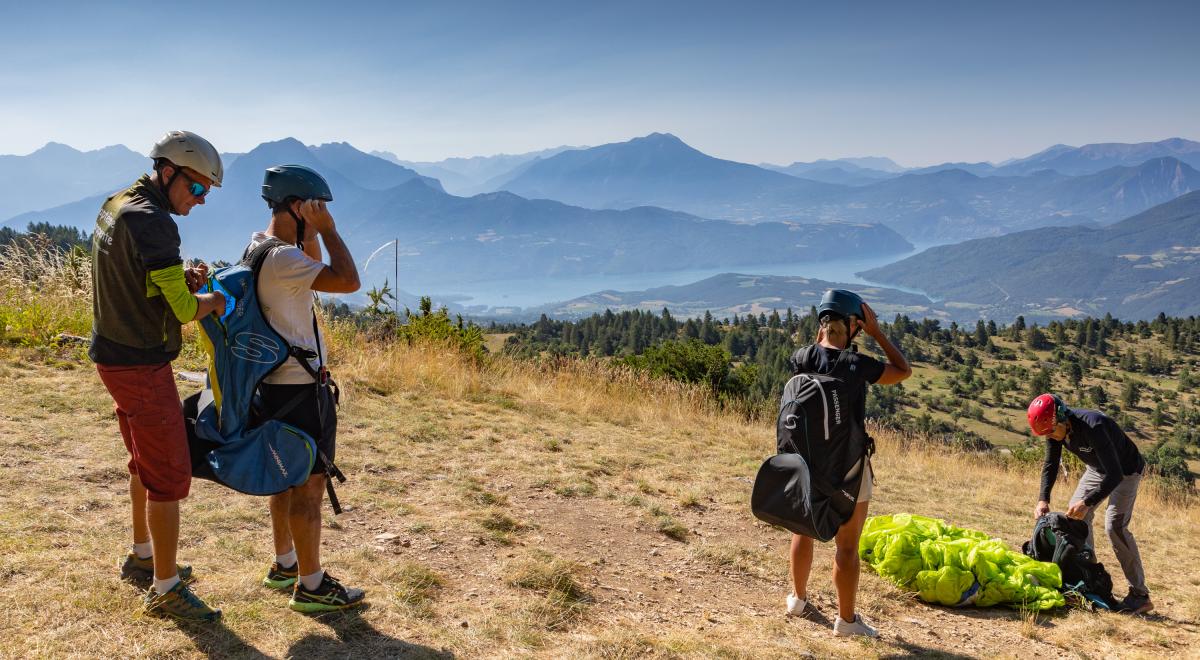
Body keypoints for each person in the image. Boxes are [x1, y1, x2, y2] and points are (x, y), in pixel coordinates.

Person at [91, 130, 226, 620]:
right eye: (197, 188)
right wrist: (212, 300)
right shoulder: (154, 223)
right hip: (140, 362)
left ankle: (144, 554)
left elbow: (136, 275)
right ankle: (166, 589)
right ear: (168, 172)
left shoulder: (119, 203)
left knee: (143, 461)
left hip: (112, 353)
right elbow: (188, 309)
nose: (201, 199)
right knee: (168, 473)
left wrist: (172, 279)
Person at [248, 164, 365, 612]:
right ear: (298, 206)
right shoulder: (285, 260)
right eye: (314, 207)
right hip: (301, 389)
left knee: (285, 479)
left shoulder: (260, 247)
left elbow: (310, 264)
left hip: (274, 386)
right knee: (309, 488)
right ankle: (312, 586)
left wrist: (308, 230)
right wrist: (330, 230)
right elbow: (348, 280)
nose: (322, 214)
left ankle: (285, 565)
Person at [786, 289, 911, 637]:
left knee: (803, 529)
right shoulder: (857, 365)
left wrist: (825, 335)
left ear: (823, 323)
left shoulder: (801, 356)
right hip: (849, 469)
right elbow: (903, 370)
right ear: (854, 324)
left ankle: (797, 599)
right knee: (846, 546)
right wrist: (877, 333)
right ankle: (847, 621)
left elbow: (817, 356)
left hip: (806, 464)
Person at [1028, 393, 1153, 614]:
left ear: (1063, 418)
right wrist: (1043, 499)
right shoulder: (1054, 429)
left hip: (1125, 471)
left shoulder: (1094, 426)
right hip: (1097, 469)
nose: (1050, 437)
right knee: (1075, 517)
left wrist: (1088, 502)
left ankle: (1140, 594)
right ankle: (1090, 578)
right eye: (1045, 434)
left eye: (1051, 431)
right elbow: (1050, 465)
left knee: (1114, 526)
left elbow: (1114, 474)